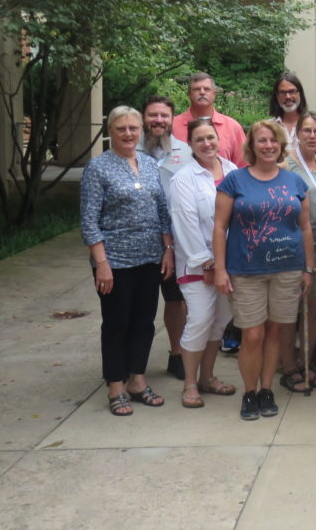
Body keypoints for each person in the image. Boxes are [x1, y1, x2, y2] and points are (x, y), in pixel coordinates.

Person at [213, 120, 315, 421]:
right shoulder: (235, 181)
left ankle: (267, 389)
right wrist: (220, 269)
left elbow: (305, 226)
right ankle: (249, 392)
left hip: (287, 269)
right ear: (252, 145)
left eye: (273, 140)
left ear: (281, 145)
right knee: (253, 334)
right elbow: (219, 227)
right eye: (262, 140)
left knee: (274, 333)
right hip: (246, 269)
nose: (268, 145)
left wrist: (309, 268)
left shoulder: (295, 182)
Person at [80, 106, 174, 416]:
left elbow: (162, 210)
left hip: (149, 259)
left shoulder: (148, 164)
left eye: (134, 128)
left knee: (144, 322)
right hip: (115, 262)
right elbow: (89, 220)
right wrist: (101, 262)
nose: (128, 134)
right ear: (111, 131)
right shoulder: (98, 168)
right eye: (121, 128)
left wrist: (168, 248)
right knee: (117, 323)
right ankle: (116, 385)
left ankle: (137, 378)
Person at [169, 118, 238, 408]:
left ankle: (208, 377)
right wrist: (208, 264)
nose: (207, 143)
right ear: (191, 145)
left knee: (220, 322)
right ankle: (190, 384)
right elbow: (184, 225)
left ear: (218, 138)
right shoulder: (183, 178)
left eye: (210, 137)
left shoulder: (234, 171)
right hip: (199, 266)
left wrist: (226, 264)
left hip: (230, 264)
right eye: (200, 139)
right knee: (198, 320)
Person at [137, 95, 191, 382]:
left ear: (172, 120)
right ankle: (134, 361)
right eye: (153, 115)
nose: (158, 120)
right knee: (140, 303)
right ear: (144, 118)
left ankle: (177, 353)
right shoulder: (129, 147)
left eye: (164, 116)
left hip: (176, 241)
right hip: (141, 241)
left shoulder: (185, 150)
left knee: (175, 300)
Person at [279, 111, 316, 394]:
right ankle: (288, 367)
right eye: (307, 131)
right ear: (297, 134)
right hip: (296, 246)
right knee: (291, 310)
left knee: (315, 307)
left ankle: (306, 363)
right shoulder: (286, 165)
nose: (312, 136)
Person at [172, 72, 247, 166]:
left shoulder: (232, 127)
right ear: (189, 94)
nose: (202, 92)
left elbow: (244, 165)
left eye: (207, 89)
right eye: (197, 89)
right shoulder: (173, 126)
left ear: (214, 94)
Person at [269, 72, 307, 149]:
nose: (288, 96)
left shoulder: (315, 126)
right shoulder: (268, 127)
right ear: (277, 96)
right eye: (283, 92)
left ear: (300, 93)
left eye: (292, 91)